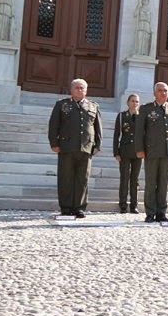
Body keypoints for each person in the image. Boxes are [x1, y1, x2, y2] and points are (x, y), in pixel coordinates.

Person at [48, 78, 102, 217]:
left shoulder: (93, 106)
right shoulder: (62, 105)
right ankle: (65, 207)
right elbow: (54, 125)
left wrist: (97, 144)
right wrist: (54, 143)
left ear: (86, 90)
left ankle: (79, 207)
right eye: (77, 87)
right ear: (71, 90)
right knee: (65, 178)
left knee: (82, 179)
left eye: (82, 88)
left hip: (86, 147)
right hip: (67, 146)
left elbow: (97, 127)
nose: (80, 90)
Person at [134, 82, 168, 223]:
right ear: (154, 93)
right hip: (151, 151)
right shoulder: (146, 109)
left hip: (167, 151)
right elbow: (139, 131)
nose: (163, 93)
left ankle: (161, 212)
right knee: (151, 183)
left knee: (163, 183)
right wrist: (139, 149)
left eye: (166, 91)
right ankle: (150, 212)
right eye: (160, 90)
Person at [113, 93, 142, 214]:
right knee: (124, 178)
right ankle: (123, 205)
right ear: (127, 102)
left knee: (135, 180)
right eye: (132, 101)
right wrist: (116, 152)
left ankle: (134, 205)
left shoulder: (141, 117)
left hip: (137, 152)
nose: (134, 103)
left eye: (137, 102)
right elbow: (116, 135)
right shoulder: (121, 116)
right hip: (124, 151)